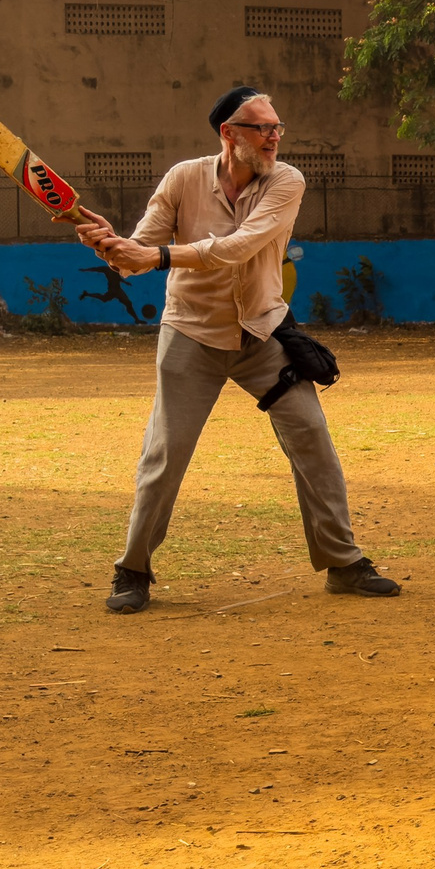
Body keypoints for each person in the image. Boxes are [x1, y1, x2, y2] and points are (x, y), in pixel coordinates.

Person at [72, 85, 401, 612]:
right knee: (165, 453)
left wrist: (150, 255)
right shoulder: (183, 178)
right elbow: (138, 255)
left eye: (277, 128)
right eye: (262, 128)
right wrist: (109, 244)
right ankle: (132, 570)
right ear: (230, 134)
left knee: (312, 438)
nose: (274, 137)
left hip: (262, 332)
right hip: (191, 334)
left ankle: (343, 563)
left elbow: (238, 247)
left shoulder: (286, 181)